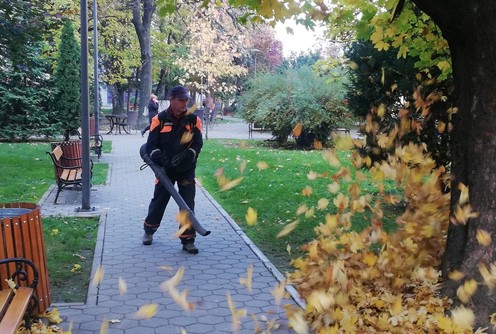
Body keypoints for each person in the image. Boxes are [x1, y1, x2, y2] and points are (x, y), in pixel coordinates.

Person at [142, 86, 203, 254]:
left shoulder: (193, 120)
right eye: (182, 100)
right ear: (172, 100)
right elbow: (151, 146)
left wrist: (186, 155)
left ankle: (188, 240)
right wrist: (162, 160)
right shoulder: (159, 119)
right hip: (165, 170)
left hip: (186, 169)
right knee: (159, 201)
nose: (185, 103)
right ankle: (149, 230)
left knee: (187, 204)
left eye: (186, 100)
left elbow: (198, 144)